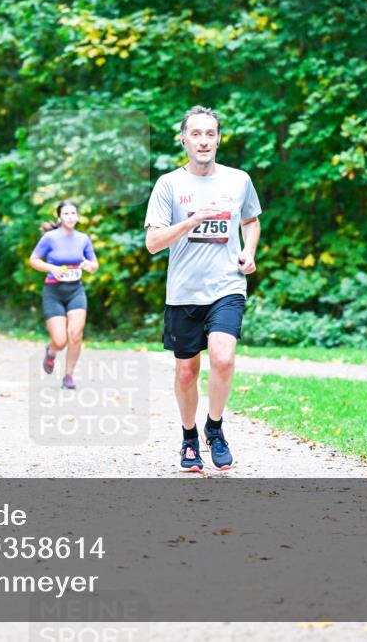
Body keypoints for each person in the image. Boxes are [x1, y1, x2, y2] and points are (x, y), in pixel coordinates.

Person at [144, 105, 262, 473]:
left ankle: (215, 427)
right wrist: (192, 220)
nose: (204, 141)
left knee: (223, 358)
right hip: (183, 291)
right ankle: (189, 437)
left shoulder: (238, 180)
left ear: (219, 139)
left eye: (210, 134)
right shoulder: (169, 184)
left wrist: (249, 251)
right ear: (184, 140)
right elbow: (152, 242)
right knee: (186, 372)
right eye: (196, 134)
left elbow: (251, 221)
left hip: (227, 285)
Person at [28, 200, 99, 390]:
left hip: (76, 290)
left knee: (75, 334)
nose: (70, 217)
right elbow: (33, 260)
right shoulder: (50, 238)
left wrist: (88, 265)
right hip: (54, 292)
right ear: (59, 217)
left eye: (73, 213)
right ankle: (51, 352)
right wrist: (51, 267)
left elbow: (94, 264)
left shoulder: (83, 238)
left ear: (77, 216)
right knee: (60, 340)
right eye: (66, 213)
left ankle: (68, 376)